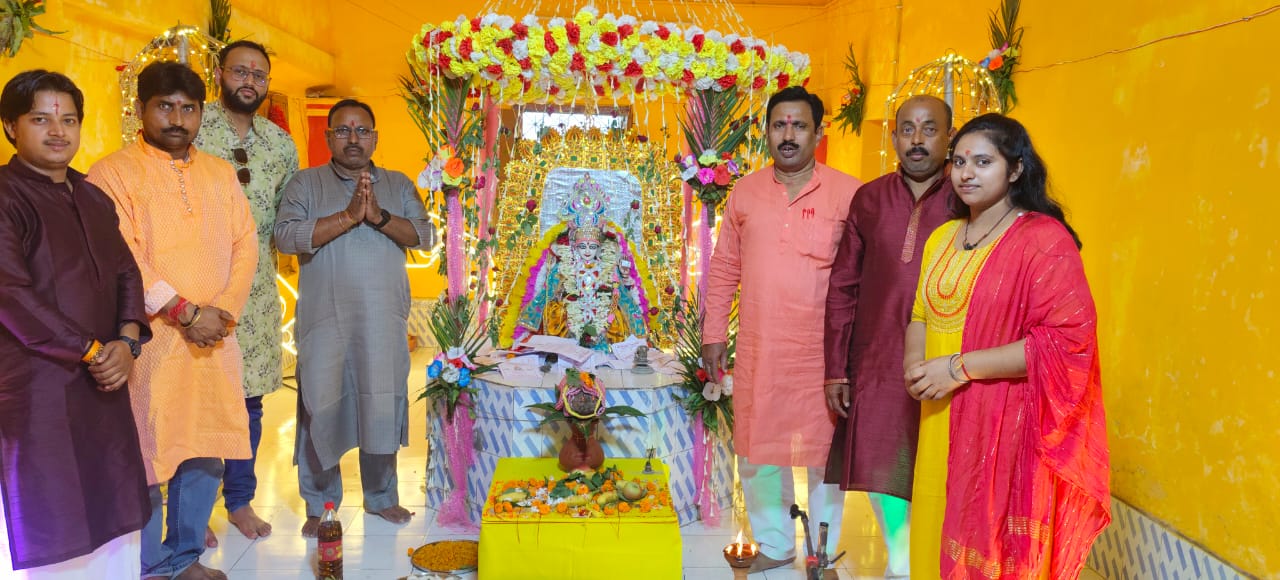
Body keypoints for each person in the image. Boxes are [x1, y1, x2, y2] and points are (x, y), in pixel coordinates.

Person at [904, 113, 1110, 578]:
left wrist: (955, 368)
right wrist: (915, 365)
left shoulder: (1043, 241)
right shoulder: (942, 237)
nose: (966, 173)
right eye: (959, 161)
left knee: (988, 545)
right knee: (934, 529)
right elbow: (921, 314)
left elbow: (1065, 343)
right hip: (938, 415)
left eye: (982, 161)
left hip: (1003, 423)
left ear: (1015, 170)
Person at [87, 61, 257, 580]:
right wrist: (183, 311)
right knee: (149, 453)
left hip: (214, 339)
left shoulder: (220, 173)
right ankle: (149, 563)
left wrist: (222, 310)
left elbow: (245, 244)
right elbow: (125, 256)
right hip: (152, 338)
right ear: (141, 109)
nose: (177, 118)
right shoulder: (111, 173)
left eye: (188, 107)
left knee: (205, 446)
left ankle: (186, 558)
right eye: (165, 106)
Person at [702, 86, 860, 576]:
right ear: (767, 132)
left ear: (818, 132)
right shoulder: (746, 192)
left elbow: (863, 273)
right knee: (759, 451)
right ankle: (775, 544)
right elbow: (725, 266)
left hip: (825, 353)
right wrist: (713, 333)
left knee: (823, 458)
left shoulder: (850, 193)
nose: (787, 135)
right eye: (778, 125)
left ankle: (823, 552)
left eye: (799, 125)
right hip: (761, 347)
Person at [0, 70, 152, 579]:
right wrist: (93, 351)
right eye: (40, 119)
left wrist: (127, 341)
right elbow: (11, 295)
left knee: (113, 506)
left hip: (106, 377)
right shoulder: (6, 196)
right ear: (10, 128)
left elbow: (127, 272)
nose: (57, 131)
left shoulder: (92, 195)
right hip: (38, 384)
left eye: (68, 119)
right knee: (53, 508)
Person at [274, 99, 435, 536]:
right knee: (320, 406)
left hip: (381, 320)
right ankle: (320, 503)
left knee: (382, 402)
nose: (353, 138)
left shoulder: (398, 184)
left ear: (375, 137)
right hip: (325, 321)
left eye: (362, 130)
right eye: (342, 130)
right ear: (328, 138)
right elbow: (286, 237)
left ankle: (381, 496)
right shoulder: (305, 184)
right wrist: (347, 217)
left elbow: (425, 235)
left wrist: (378, 216)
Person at [822, 95, 956, 578]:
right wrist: (836, 367)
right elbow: (842, 286)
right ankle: (903, 564)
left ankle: (927, 562)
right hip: (876, 356)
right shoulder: (870, 198)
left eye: (929, 129)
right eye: (906, 129)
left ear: (949, 135)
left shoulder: (968, 198)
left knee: (938, 467)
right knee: (884, 463)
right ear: (894, 136)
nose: (916, 141)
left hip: (948, 358)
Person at [194, 39, 299, 545]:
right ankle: (190, 510)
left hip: (254, 294)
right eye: (240, 71)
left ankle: (238, 500)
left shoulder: (281, 144)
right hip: (193, 286)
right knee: (191, 399)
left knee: (248, 403)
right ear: (220, 73)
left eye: (259, 73)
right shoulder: (191, 127)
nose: (249, 81)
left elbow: (287, 220)